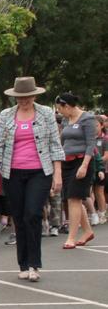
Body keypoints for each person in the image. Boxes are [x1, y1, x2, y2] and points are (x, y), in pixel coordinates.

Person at [0, 77, 64, 282]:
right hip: (12, 172)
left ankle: (34, 264)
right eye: (19, 98)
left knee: (33, 214)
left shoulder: (46, 113)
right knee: (19, 217)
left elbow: (55, 145)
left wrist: (57, 174)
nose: (23, 101)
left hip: (40, 171)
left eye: (27, 97)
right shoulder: (6, 115)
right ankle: (23, 263)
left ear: (34, 96)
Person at [55, 93, 96, 249]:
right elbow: (62, 141)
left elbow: (91, 144)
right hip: (67, 162)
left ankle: (71, 237)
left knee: (74, 198)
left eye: (60, 109)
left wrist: (84, 165)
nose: (59, 112)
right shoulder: (66, 120)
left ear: (67, 106)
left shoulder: (88, 119)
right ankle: (87, 231)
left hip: (81, 161)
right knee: (73, 198)